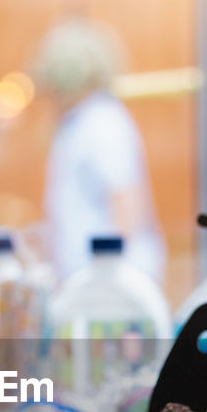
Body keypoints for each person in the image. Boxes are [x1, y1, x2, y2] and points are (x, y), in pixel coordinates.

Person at [33, 19, 166, 284]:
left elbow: (126, 207)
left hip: (111, 282)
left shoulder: (102, 124)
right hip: (90, 278)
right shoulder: (79, 123)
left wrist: (103, 281)